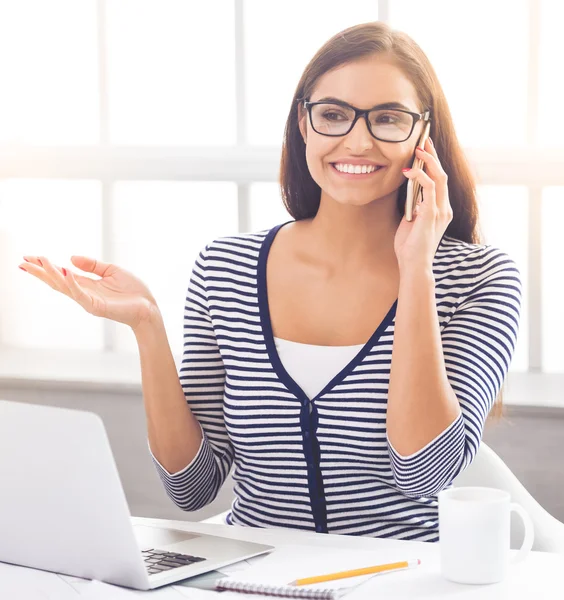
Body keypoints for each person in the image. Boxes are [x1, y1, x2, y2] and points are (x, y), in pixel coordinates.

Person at [19, 21, 522, 542]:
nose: (357, 140)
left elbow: (427, 473)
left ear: (423, 136)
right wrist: (148, 327)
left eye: (388, 119)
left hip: (404, 581)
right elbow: (193, 488)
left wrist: (417, 267)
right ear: (303, 125)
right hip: (255, 578)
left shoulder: (481, 279)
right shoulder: (225, 268)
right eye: (333, 115)